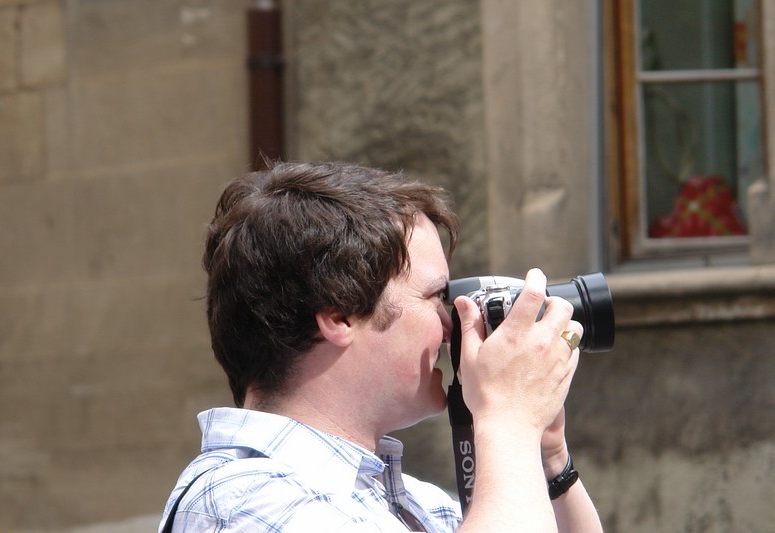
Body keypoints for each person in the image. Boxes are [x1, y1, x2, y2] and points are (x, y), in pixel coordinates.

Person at [159, 161, 603, 532]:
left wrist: (547, 460)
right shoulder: (247, 501)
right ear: (339, 316)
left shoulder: (415, 507)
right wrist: (509, 422)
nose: (453, 324)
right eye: (435, 297)